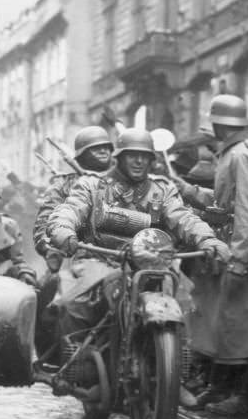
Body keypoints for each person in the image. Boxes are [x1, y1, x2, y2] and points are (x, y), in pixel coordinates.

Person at [45, 127, 230, 341]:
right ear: (120, 158)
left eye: (145, 156)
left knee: (188, 302)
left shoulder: (162, 189)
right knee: (73, 304)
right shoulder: (92, 184)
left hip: (152, 261)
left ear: (152, 160)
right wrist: (63, 229)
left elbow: (183, 218)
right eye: (133, 155)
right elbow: (71, 209)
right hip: (101, 259)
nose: (139, 161)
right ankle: (79, 361)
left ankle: (180, 357)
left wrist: (207, 239)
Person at [183, 95, 248, 416]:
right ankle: (224, 386)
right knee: (227, 320)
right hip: (234, 243)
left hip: (244, 246)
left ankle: (244, 394)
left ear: (220, 123)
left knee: (245, 323)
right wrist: (188, 192)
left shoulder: (243, 156)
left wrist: (239, 261)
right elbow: (224, 202)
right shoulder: (233, 154)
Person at [32, 126, 114, 358]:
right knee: (56, 299)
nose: (102, 152)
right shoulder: (64, 185)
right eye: (94, 148)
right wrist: (51, 245)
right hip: (80, 255)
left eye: (105, 147)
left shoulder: (126, 181)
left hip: (128, 255)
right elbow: (45, 221)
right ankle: (68, 358)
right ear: (81, 155)